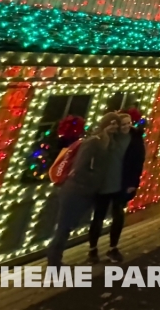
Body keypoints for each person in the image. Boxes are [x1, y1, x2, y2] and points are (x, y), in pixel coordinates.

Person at [47, 113, 119, 267]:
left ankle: (55, 259)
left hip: (88, 192)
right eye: (111, 124)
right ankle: (54, 261)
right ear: (104, 124)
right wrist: (93, 182)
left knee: (69, 225)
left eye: (116, 125)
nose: (114, 127)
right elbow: (79, 167)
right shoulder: (92, 142)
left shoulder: (110, 143)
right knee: (64, 226)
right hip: (76, 190)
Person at [88, 108, 145, 263]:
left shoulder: (136, 139)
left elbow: (138, 162)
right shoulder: (110, 137)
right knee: (98, 217)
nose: (126, 126)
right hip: (104, 183)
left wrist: (133, 183)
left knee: (118, 216)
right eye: (123, 124)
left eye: (128, 123)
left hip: (122, 183)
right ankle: (92, 249)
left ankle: (113, 248)